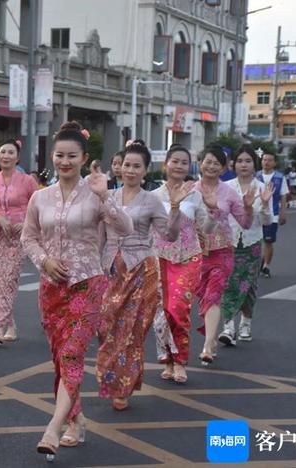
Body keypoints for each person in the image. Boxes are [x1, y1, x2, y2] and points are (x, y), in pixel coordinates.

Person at [21, 122, 133, 460]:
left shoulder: (98, 194)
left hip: (88, 283)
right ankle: (77, 419)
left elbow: (124, 227)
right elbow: (28, 237)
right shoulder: (40, 196)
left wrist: (104, 196)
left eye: (72, 156)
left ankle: (54, 427)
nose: (64, 161)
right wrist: (44, 261)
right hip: (51, 287)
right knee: (60, 357)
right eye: (59, 155)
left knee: (72, 353)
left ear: (84, 158)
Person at [96, 140, 187, 411]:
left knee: (131, 331)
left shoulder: (152, 201)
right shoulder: (107, 196)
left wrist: (174, 208)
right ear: (119, 167)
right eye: (127, 165)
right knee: (106, 326)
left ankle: (122, 387)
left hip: (141, 271)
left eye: (137, 166)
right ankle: (112, 378)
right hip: (111, 267)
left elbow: (169, 235)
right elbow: (100, 235)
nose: (131, 170)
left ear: (146, 171)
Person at [152, 144, 215, 384]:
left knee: (178, 309)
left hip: (188, 257)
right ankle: (167, 359)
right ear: (165, 164)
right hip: (159, 258)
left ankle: (180, 361)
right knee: (161, 313)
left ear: (190, 167)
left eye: (184, 162)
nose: (179, 166)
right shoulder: (154, 196)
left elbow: (206, 229)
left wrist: (213, 209)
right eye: (174, 161)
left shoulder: (195, 194)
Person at [195, 144, 253, 366]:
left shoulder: (229, 193)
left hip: (222, 251)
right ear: (201, 163)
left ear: (223, 168)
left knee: (214, 295)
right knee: (201, 296)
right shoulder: (190, 189)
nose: (211, 166)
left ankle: (208, 345)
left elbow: (245, 224)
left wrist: (248, 208)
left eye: (216, 163)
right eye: (207, 161)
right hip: (196, 253)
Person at [0, 139, 38, 344]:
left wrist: (27, 223)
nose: (5, 155)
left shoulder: (27, 181)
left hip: (20, 236)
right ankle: (10, 325)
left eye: (10, 152)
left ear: (17, 157)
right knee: (1, 279)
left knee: (9, 278)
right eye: (3, 151)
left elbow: (38, 206)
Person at [218, 145, 273, 346]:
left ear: (254, 164)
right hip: (229, 243)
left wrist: (265, 204)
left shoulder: (262, 188)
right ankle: (228, 326)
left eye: (248, 161)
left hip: (252, 243)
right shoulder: (225, 187)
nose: (243, 165)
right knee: (228, 284)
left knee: (249, 285)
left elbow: (267, 221)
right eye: (240, 161)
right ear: (233, 163)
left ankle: (246, 324)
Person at [257, 151, 288, 278]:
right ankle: (258, 263)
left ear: (274, 163)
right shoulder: (255, 176)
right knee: (256, 241)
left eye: (270, 160)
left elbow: (283, 196)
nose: (266, 162)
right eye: (264, 160)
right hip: (256, 214)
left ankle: (266, 266)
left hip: (273, 214)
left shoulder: (280, 177)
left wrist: (282, 213)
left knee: (268, 241)